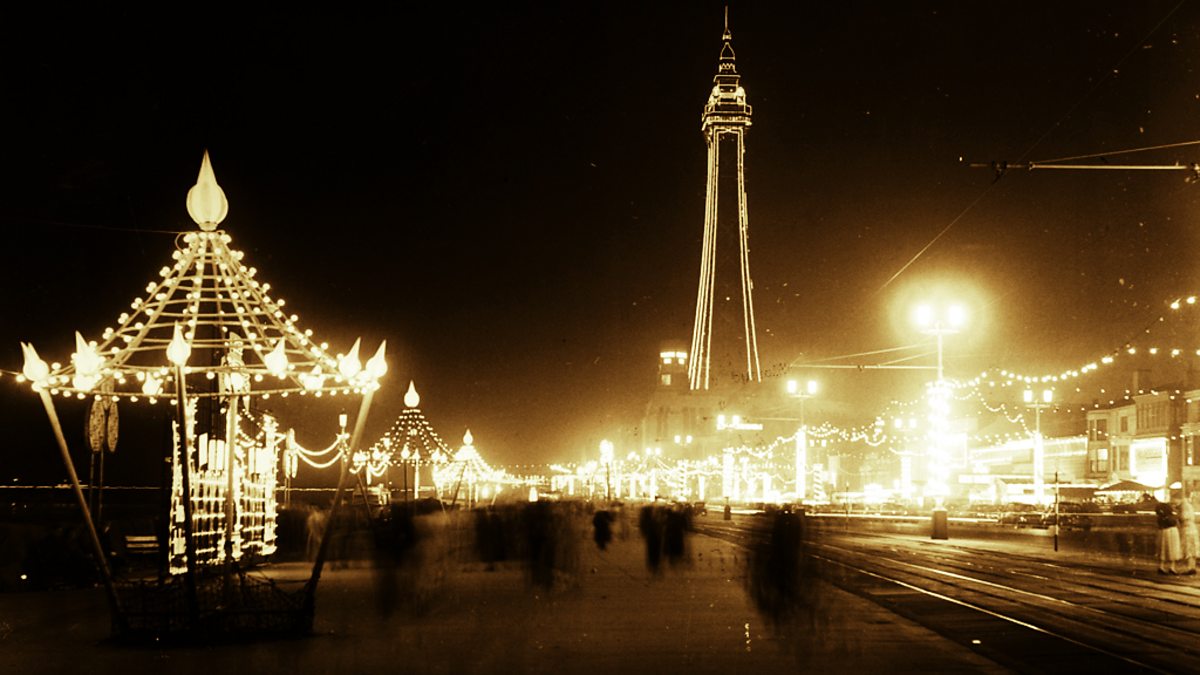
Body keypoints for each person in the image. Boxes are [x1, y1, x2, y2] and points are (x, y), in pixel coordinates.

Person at [1155, 496, 1182, 574]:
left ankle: (1161, 566)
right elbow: (1176, 523)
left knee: (1163, 549)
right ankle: (1172, 567)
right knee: (1172, 549)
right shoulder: (1171, 517)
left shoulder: (1160, 517)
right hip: (1172, 532)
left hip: (1162, 532)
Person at [1178, 493, 1199, 575]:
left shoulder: (1184, 507)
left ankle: (1189, 568)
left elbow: (1183, 518)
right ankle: (1192, 567)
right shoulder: (1190, 506)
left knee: (1188, 549)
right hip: (1193, 529)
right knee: (1192, 549)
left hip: (1187, 530)